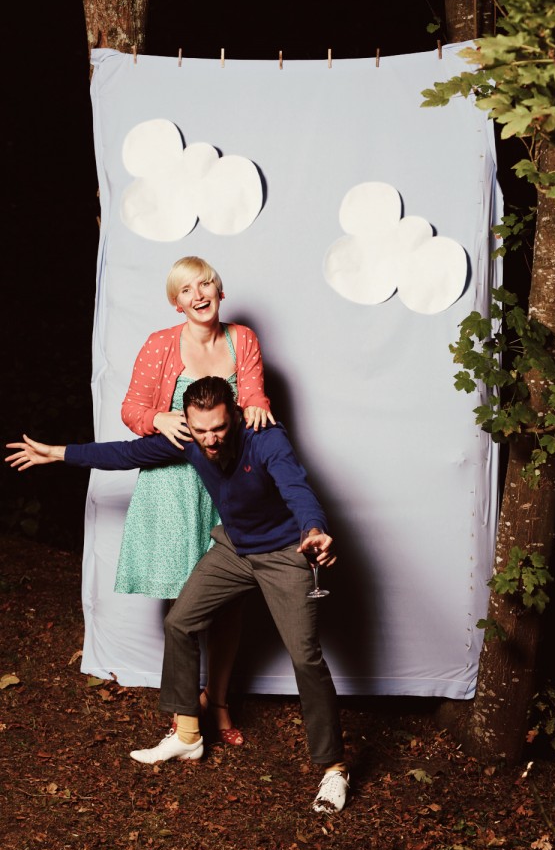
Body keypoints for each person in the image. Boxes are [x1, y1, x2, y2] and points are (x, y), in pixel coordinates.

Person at [6, 377, 350, 813]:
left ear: (235, 416)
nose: (210, 439)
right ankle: (188, 734)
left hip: (286, 552)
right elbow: (126, 453)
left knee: (304, 657)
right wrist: (57, 453)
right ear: (187, 421)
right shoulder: (188, 439)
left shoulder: (265, 438)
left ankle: (334, 768)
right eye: (201, 429)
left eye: (219, 428)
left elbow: (297, 488)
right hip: (234, 549)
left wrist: (315, 529)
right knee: (180, 623)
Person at [117, 256, 275, 745]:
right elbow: (131, 408)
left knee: (228, 599)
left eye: (205, 284)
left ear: (219, 292)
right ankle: (185, 711)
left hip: (226, 482)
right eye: (186, 290)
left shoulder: (242, 339)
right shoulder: (160, 344)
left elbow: (255, 399)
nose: (198, 294)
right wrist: (156, 419)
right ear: (176, 302)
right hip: (171, 485)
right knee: (183, 602)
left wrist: (258, 407)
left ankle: (219, 701)